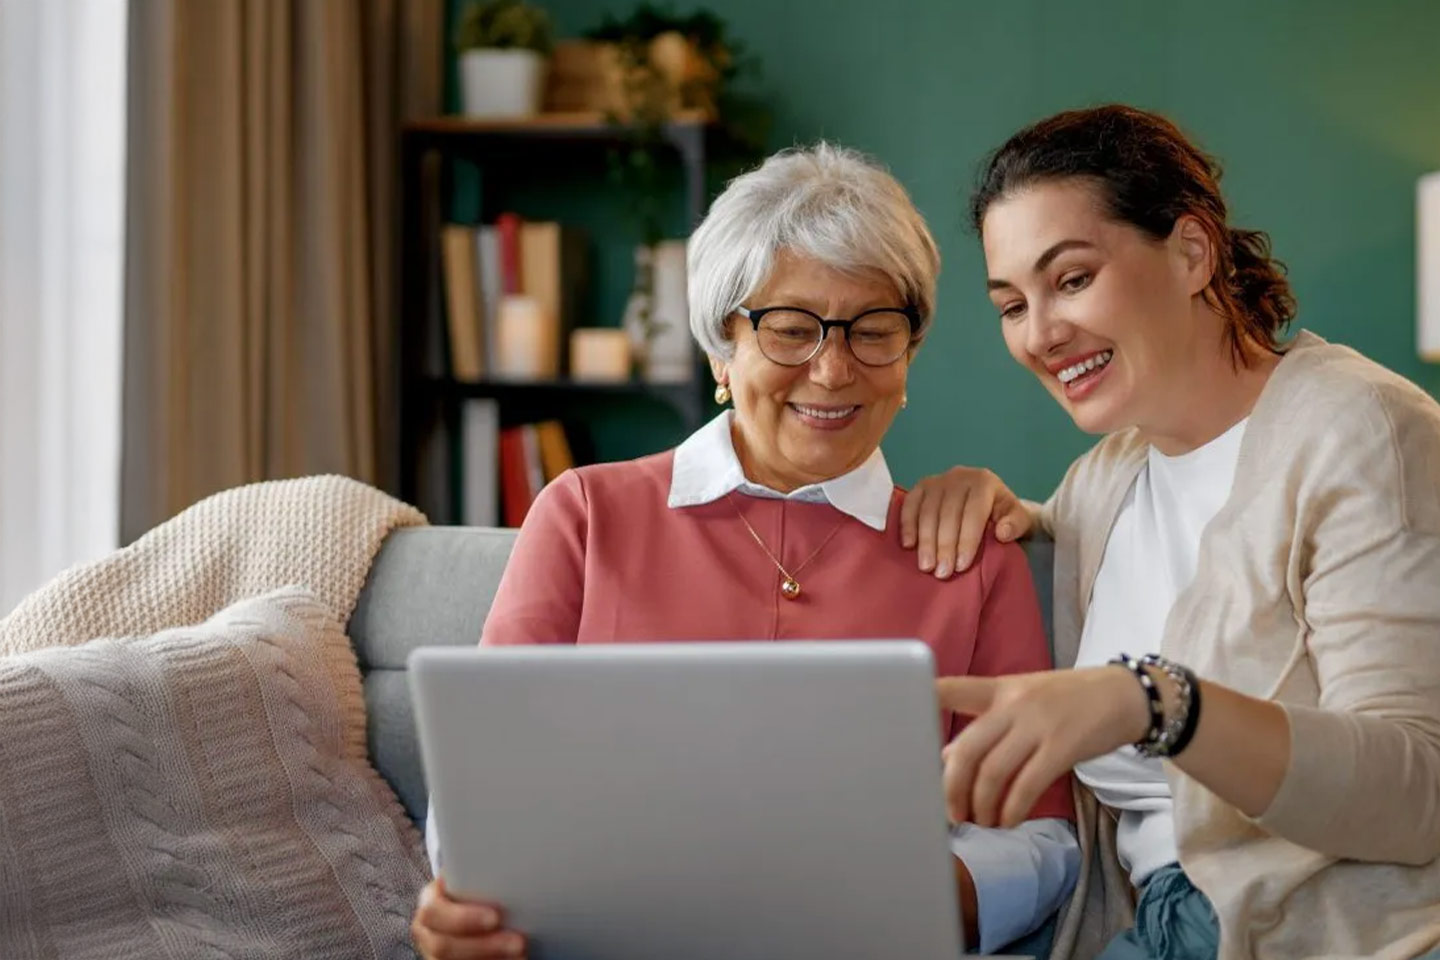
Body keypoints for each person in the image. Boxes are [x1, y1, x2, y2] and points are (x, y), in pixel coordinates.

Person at [410, 143, 1080, 960]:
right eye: (792, 330)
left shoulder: (972, 553)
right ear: (721, 349)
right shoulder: (586, 514)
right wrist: (470, 901)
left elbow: (1045, 834)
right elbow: (485, 783)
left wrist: (941, 893)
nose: (833, 371)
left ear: (908, 358)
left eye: (874, 331)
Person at [900, 104, 1440, 960]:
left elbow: (1419, 790)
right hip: (1143, 928)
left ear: (1192, 252)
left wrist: (1154, 702)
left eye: (1071, 279)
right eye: (1011, 304)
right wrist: (987, 501)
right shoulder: (1105, 482)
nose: (1040, 333)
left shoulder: (1362, 428)